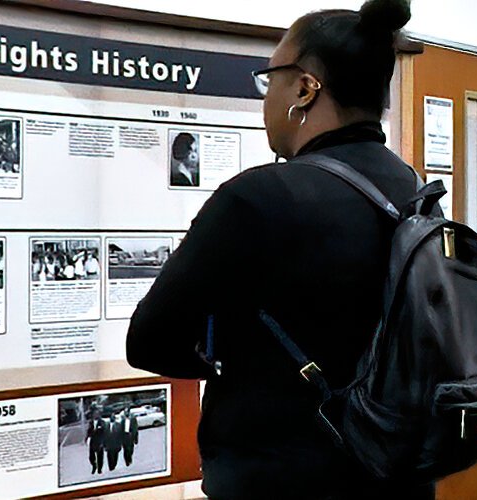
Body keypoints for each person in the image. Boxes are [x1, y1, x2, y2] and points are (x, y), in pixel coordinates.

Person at [125, 1, 432, 498]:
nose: (266, 98)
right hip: (395, 477)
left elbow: (149, 340)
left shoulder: (256, 198)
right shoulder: (415, 193)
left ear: (305, 88)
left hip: (278, 478)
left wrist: (237, 355)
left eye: (271, 80)